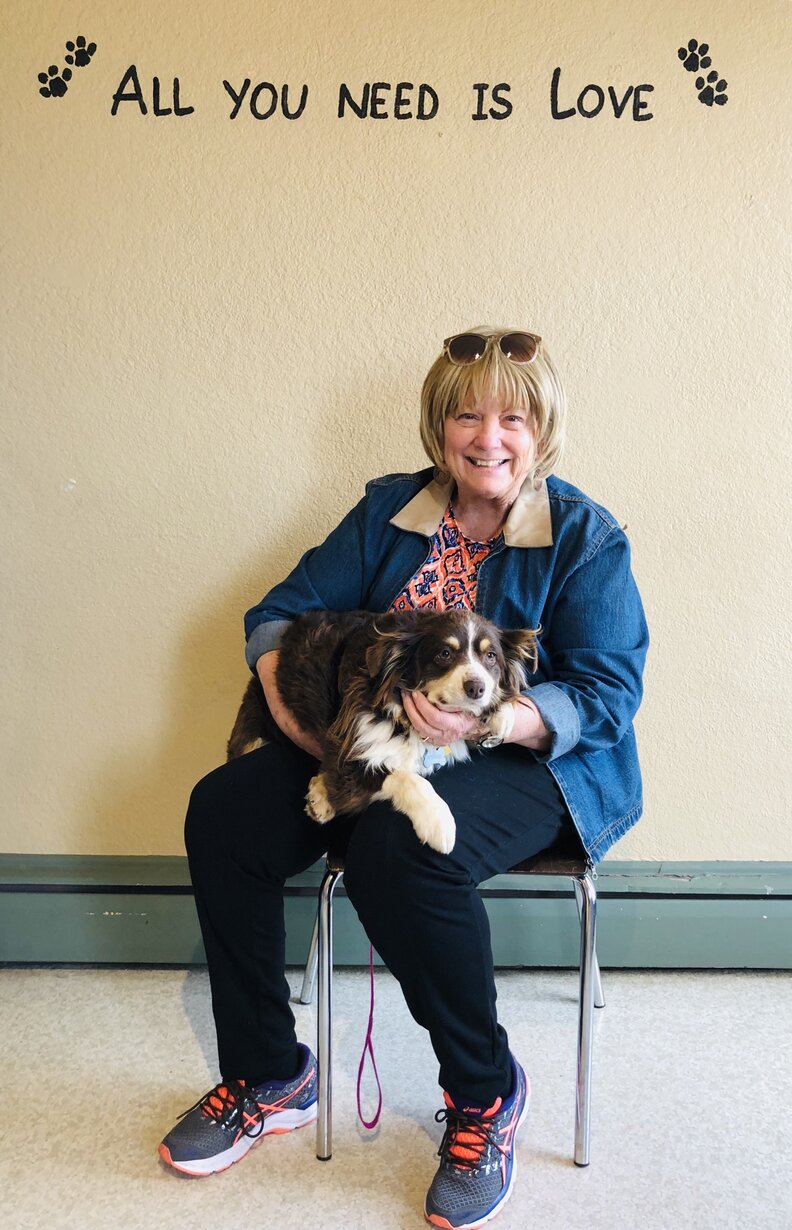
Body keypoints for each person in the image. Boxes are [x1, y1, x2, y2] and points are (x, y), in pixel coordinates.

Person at [158, 327, 649, 1229]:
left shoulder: (585, 535)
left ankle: (485, 1095)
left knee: (399, 847)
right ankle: (271, 1073)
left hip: (530, 762)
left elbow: (609, 692)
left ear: (542, 429)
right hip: (369, 746)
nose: (488, 436)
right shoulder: (391, 508)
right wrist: (309, 729)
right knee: (223, 809)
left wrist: (499, 717)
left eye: (513, 415)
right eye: (468, 412)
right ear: (440, 425)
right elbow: (278, 616)